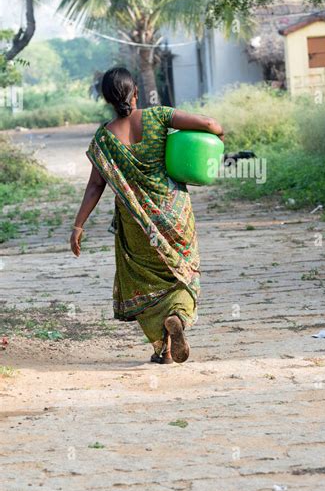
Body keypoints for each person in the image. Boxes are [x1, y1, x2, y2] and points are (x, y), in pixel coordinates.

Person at [70, 66, 224, 364]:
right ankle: (178, 315)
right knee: (181, 271)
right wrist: (218, 134)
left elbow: (94, 186)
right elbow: (208, 123)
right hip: (175, 214)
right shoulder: (160, 116)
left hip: (136, 224)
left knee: (143, 280)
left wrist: (78, 226)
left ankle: (162, 348)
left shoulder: (104, 138)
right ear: (136, 92)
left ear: (107, 99)